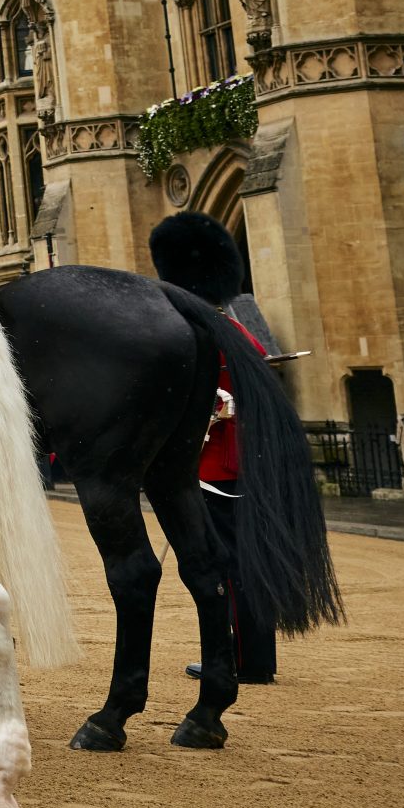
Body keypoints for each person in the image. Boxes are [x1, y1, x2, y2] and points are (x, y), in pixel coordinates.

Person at [151, 209, 281, 685]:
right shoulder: (236, 330)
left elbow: (228, 400)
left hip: (216, 468)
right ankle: (252, 657)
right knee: (242, 563)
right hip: (236, 464)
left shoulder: (201, 332)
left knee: (227, 566)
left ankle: (241, 660)